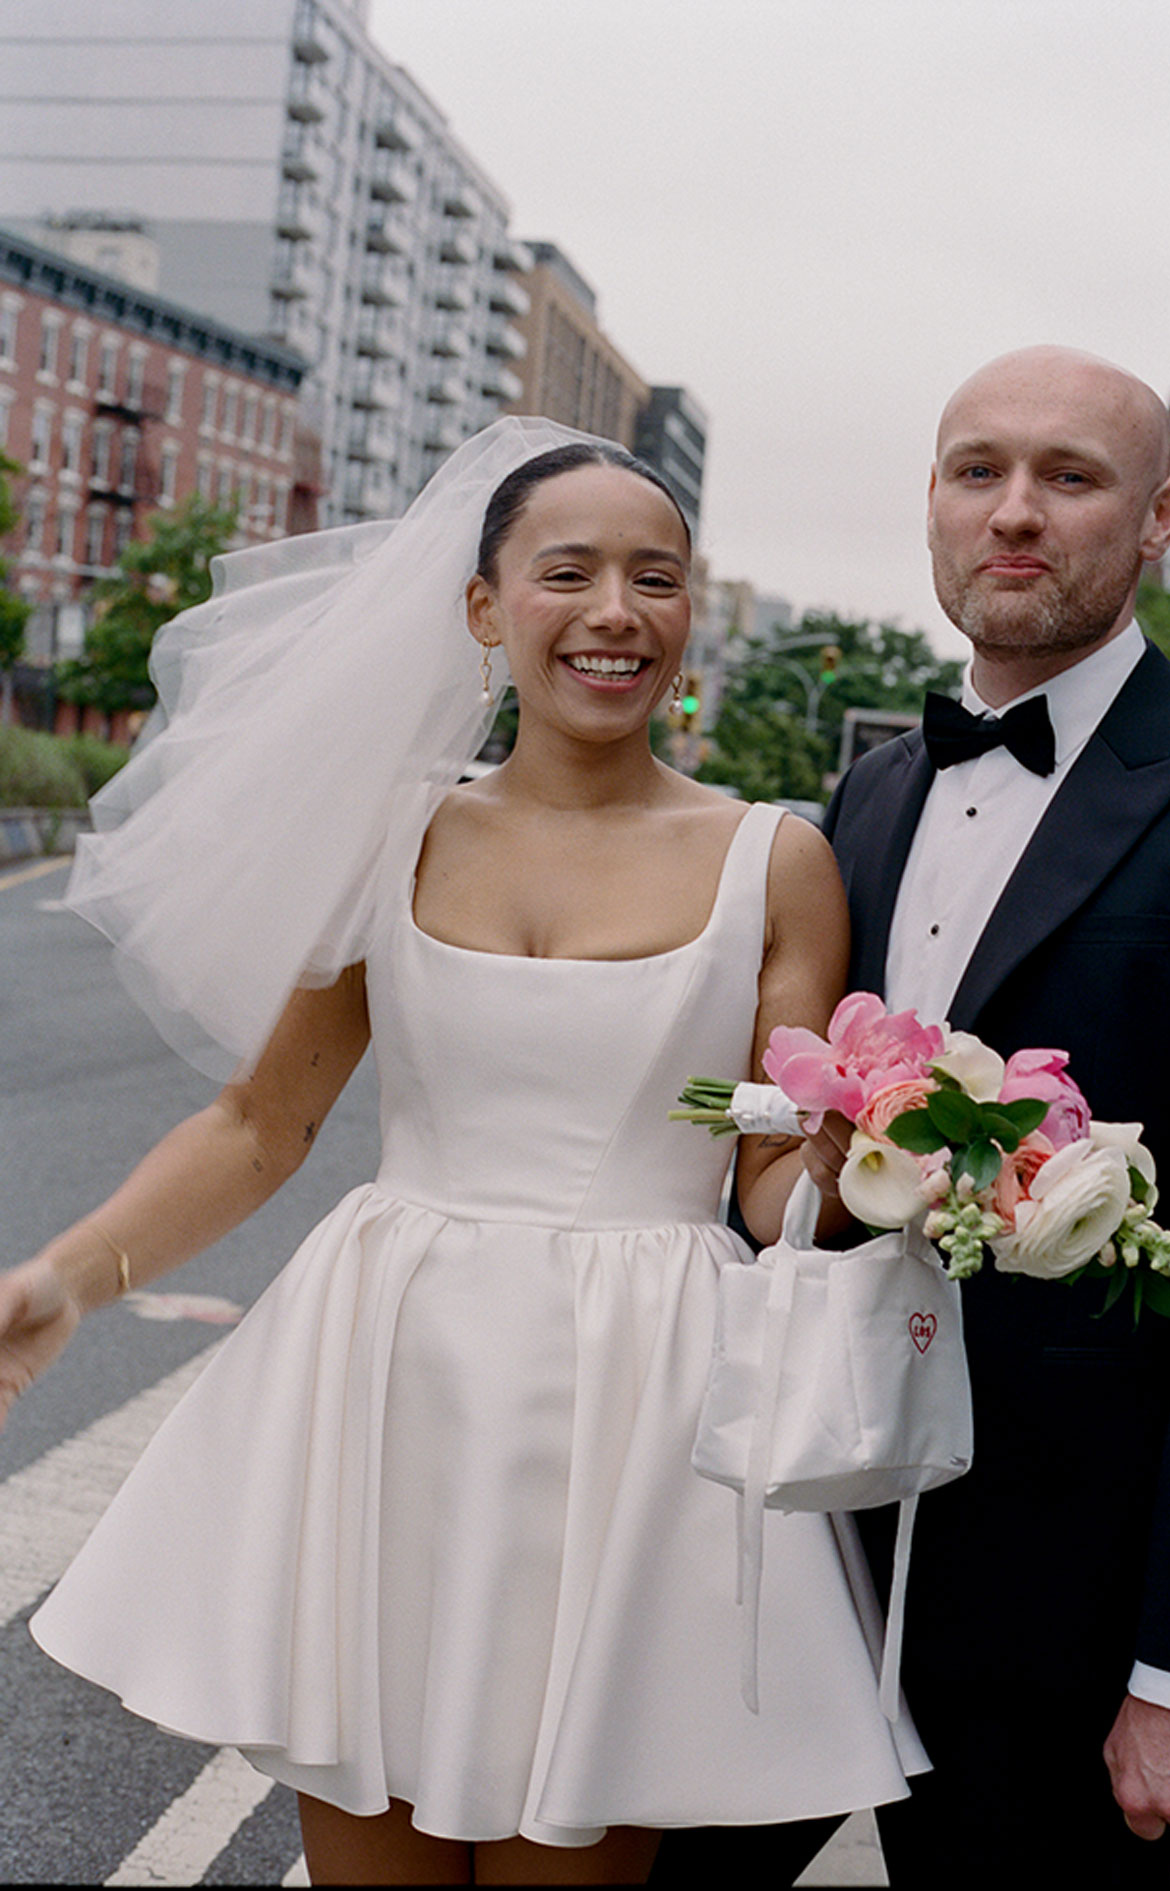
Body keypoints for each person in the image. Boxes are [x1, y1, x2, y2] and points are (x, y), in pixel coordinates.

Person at [0, 419, 925, 1887]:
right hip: (388, 1381)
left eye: (657, 577)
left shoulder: (777, 859)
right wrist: (65, 1278)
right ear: (487, 609)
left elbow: (764, 1175)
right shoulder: (390, 840)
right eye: (569, 572)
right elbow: (262, 1122)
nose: (617, 612)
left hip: (644, 1405)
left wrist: (874, 1169)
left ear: (690, 609)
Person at [799, 345, 1170, 1886]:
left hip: (1068, 1614)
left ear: (1157, 522)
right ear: (930, 504)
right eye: (976, 470)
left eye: (1070, 478)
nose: (1015, 513)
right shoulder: (868, 800)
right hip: (811, 1547)